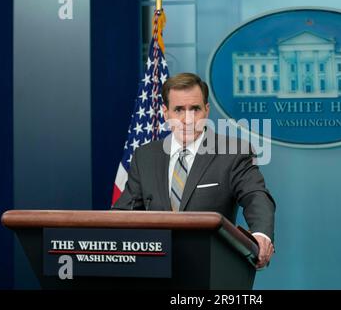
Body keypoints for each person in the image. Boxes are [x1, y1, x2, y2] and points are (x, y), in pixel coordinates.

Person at [112, 73, 275, 268]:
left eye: (195, 109)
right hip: (154, 268)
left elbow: (256, 196)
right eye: (179, 109)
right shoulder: (145, 156)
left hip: (210, 268)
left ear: (206, 110)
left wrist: (260, 235)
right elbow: (124, 212)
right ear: (165, 113)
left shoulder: (233, 153)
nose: (187, 119)